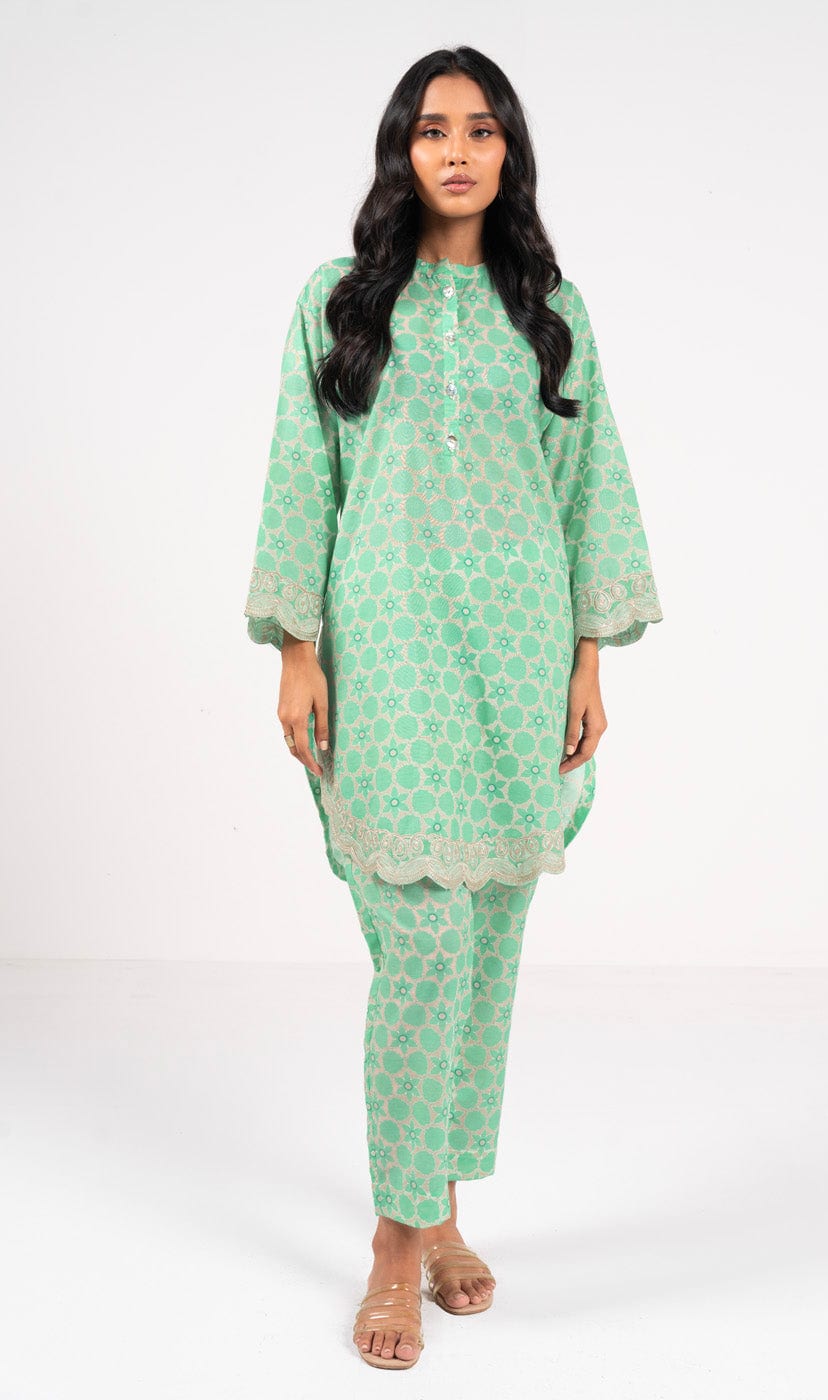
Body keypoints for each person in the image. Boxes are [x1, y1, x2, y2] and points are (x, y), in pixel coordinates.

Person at [243, 45, 663, 1370]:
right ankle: (394, 1237)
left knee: (483, 942)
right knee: (418, 944)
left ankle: (443, 1218)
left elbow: (586, 479)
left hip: (517, 643)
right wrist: (297, 647)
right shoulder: (338, 301)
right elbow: (301, 469)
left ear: (509, 151)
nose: (459, 151)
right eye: (434, 130)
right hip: (385, 650)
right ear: (402, 150)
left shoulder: (549, 309)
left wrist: (588, 657)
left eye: (482, 129)